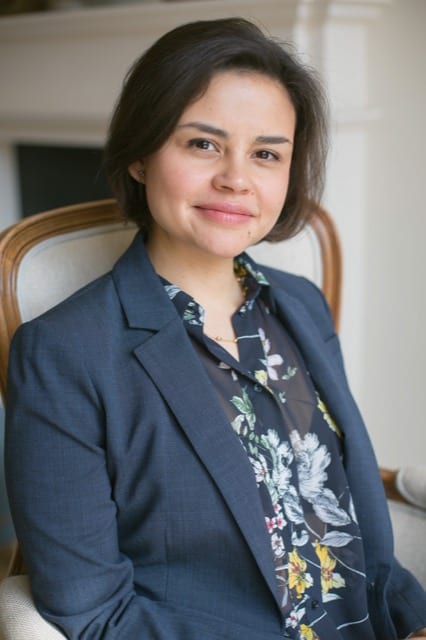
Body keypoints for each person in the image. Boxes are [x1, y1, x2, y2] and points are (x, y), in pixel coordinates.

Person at [4, 17, 426, 640]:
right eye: (202, 143)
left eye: (266, 153)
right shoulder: (64, 354)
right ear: (142, 156)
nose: (237, 177)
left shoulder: (300, 306)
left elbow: (353, 527)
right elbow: (94, 612)